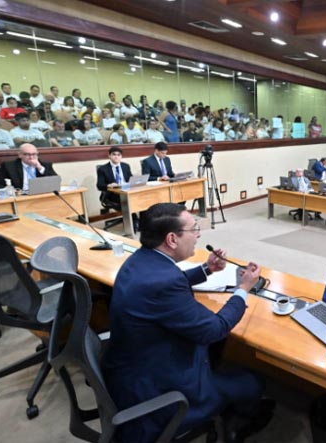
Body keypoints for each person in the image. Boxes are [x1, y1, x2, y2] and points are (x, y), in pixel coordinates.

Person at [102, 202, 272, 443]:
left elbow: (172, 279)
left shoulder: (140, 260)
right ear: (172, 239)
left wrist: (207, 269)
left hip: (132, 365)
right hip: (158, 389)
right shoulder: (164, 284)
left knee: (217, 353)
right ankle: (237, 423)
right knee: (252, 382)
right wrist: (243, 289)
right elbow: (215, 329)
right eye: (194, 229)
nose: (199, 235)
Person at [97, 145, 132, 210]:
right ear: (109, 156)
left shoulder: (126, 166)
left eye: (118, 155)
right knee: (128, 202)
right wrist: (109, 185)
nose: (116, 157)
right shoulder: (102, 169)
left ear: (121, 156)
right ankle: (132, 216)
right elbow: (99, 185)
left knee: (141, 198)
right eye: (114, 154)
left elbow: (130, 179)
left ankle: (139, 215)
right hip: (113, 194)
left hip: (126, 191)